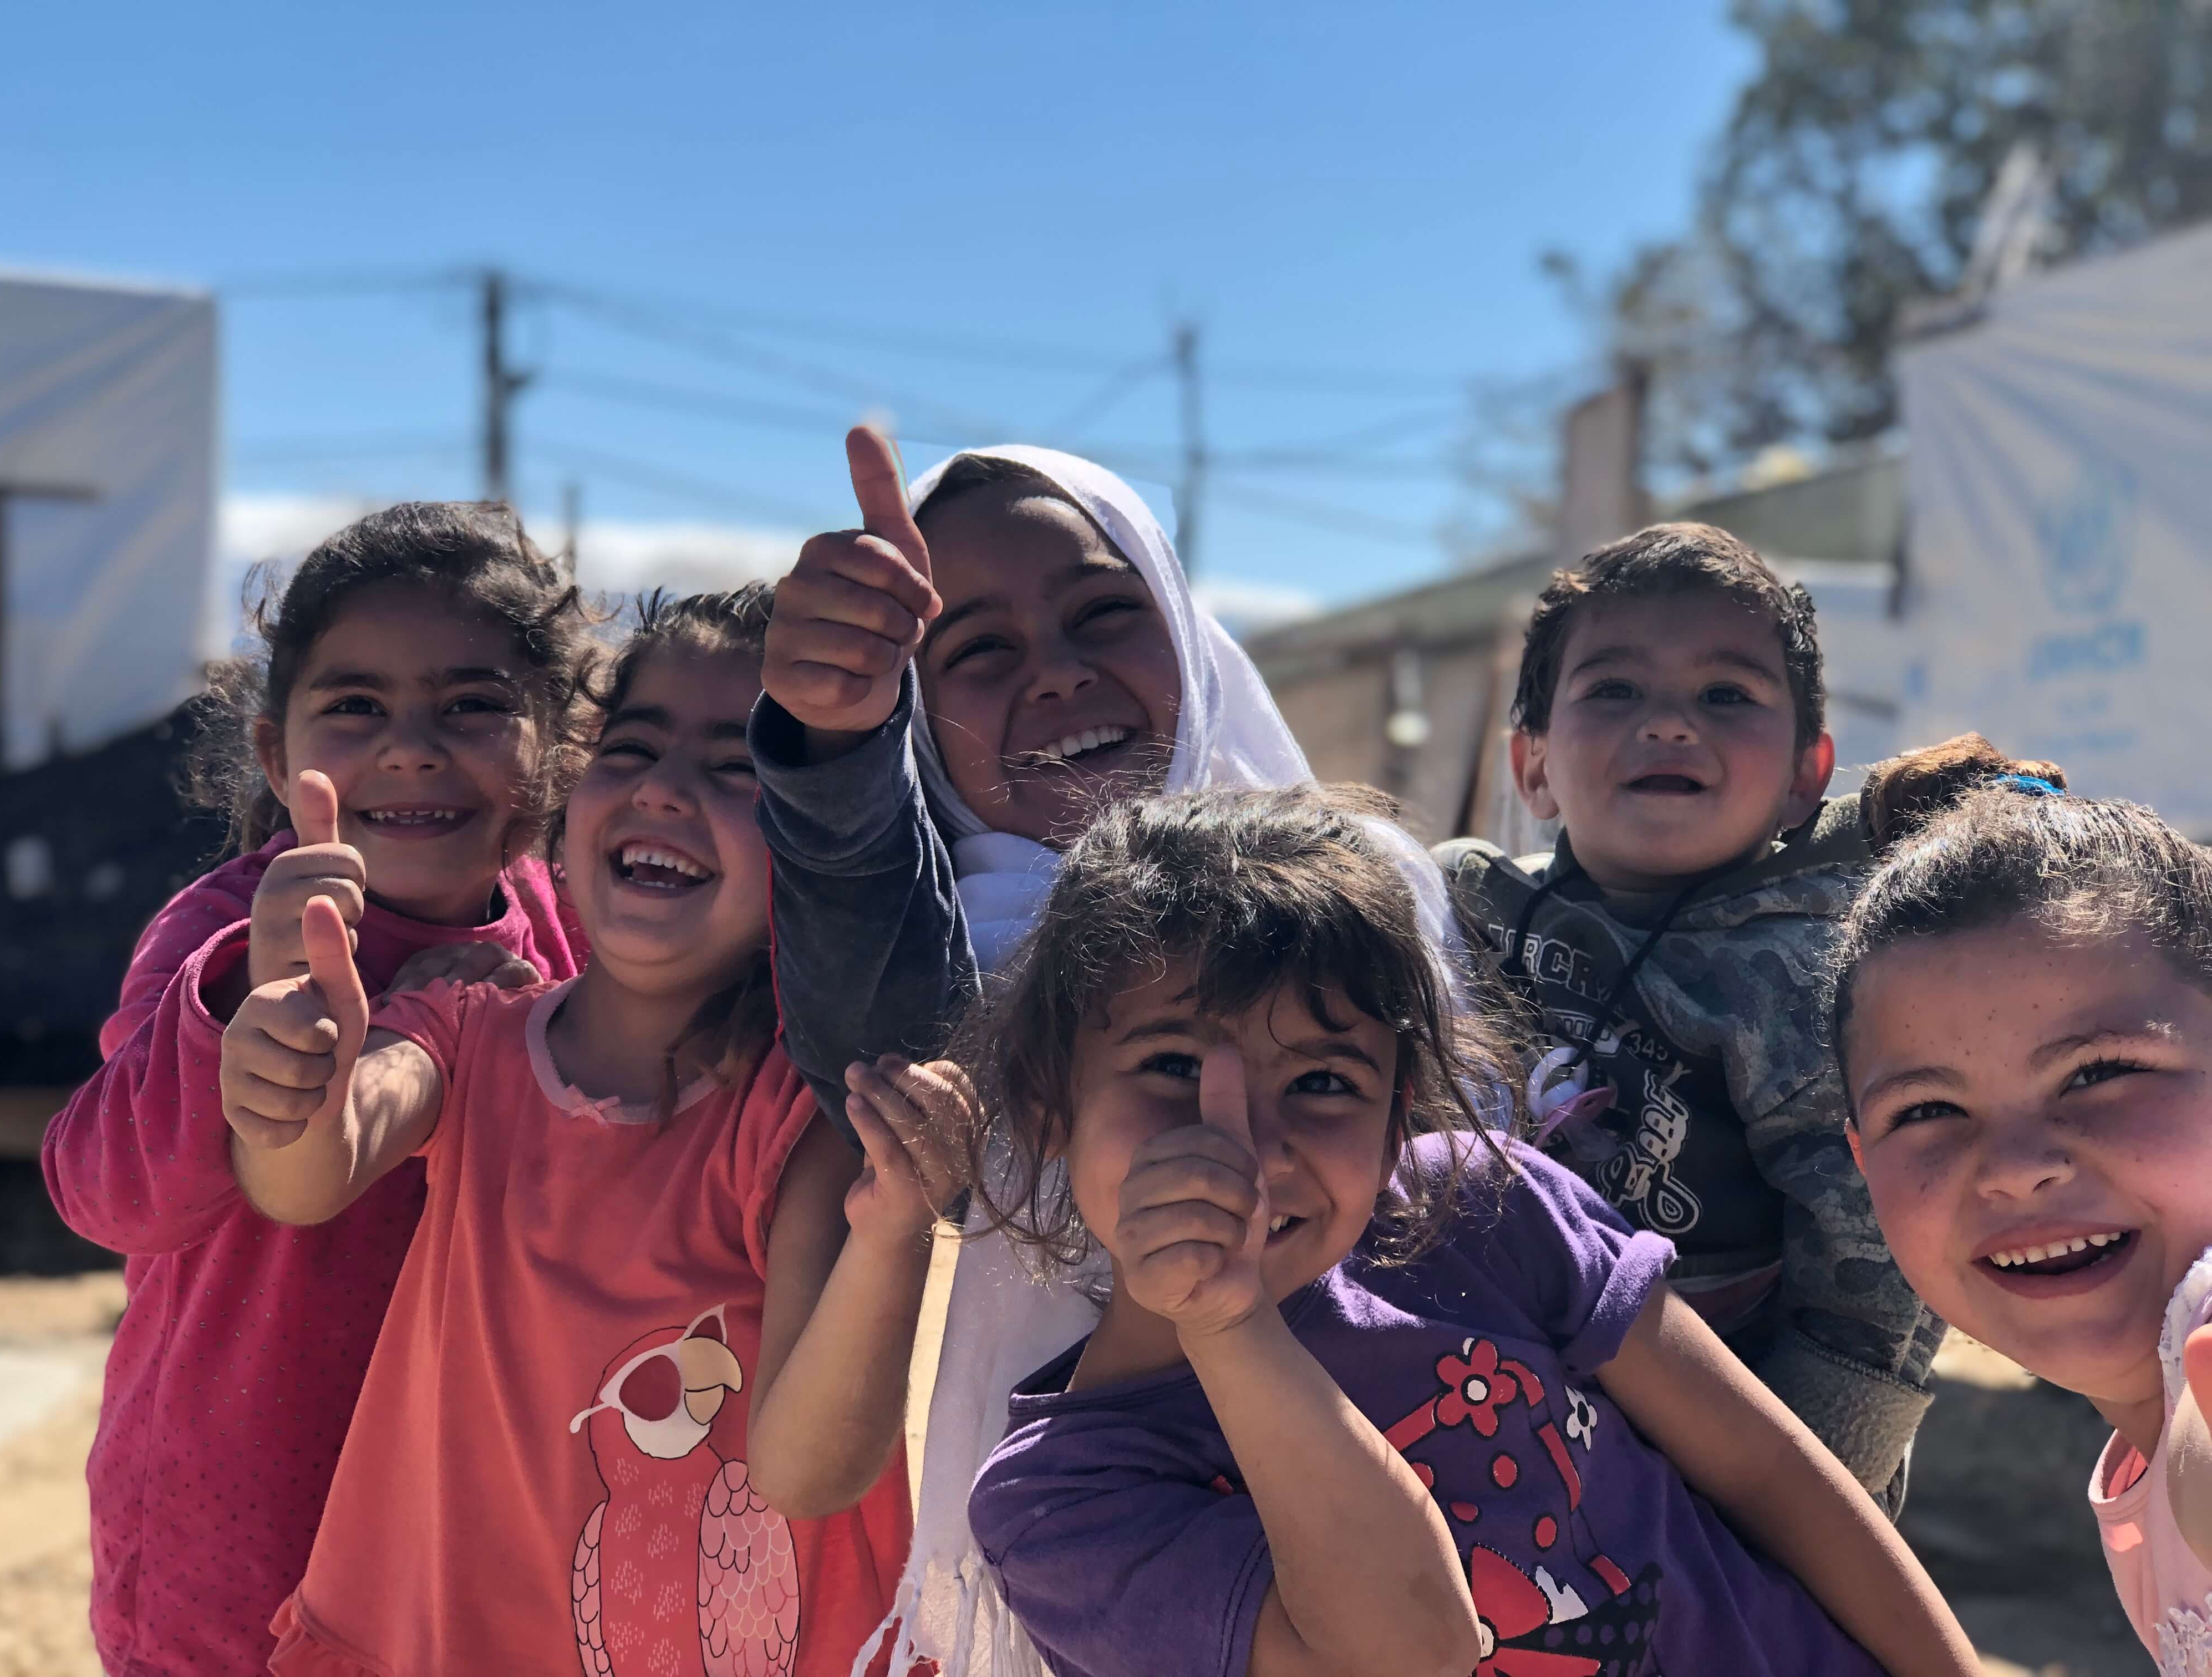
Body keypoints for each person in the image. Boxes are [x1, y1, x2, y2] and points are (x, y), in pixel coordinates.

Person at [952, 784, 1977, 1677]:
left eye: (1322, 1082)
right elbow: (1404, 1654)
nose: (1250, 1145)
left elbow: (1774, 1475)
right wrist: (1227, 1328)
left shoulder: (1486, 1211)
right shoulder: (1062, 1505)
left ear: (1400, 1116)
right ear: (1049, 1103)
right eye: (1175, 1066)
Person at [229, 588, 926, 1675]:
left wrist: (894, 1237)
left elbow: (805, 1475)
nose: (663, 788)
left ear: (826, 848)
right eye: (632, 747)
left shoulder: (807, 1121)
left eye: (738, 769)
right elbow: (309, 1177)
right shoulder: (464, 1027)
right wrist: (292, 1071)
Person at [753, 427, 1310, 1662]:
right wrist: (838, 747)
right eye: (980, 650)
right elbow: (889, 1036)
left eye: (1106, 613)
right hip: (1080, 1589)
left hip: (1361, 1517)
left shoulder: (1364, 899)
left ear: (1183, 623)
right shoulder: (945, 952)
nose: (1054, 676)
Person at [42, 502, 591, 1677]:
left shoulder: (563, 922)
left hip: (480, 1527)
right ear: (277, 759)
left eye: (474, 705)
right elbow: (105, 1197)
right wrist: (241, 1014)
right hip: (241, 1542)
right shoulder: (226, 935)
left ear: (556, 747)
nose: (411, 746)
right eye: (355, 706)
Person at [1435, 521, 1941, 1510]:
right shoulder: (1465, 908)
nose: (1669, 724)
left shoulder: (1809, 975)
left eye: (1727, 695)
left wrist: (1803, 1490)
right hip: (1472, 1404)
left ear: (1806, 773)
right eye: (1614, 689)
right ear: (1531, 766)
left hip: (1728, 1446)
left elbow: (1876, 1258)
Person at [1833, 769, 2212, 1673]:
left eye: (2098, 1072)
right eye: (1926, 1112)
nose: (2015, 1170)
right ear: (1859, 1162)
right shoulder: (2146, 1443)